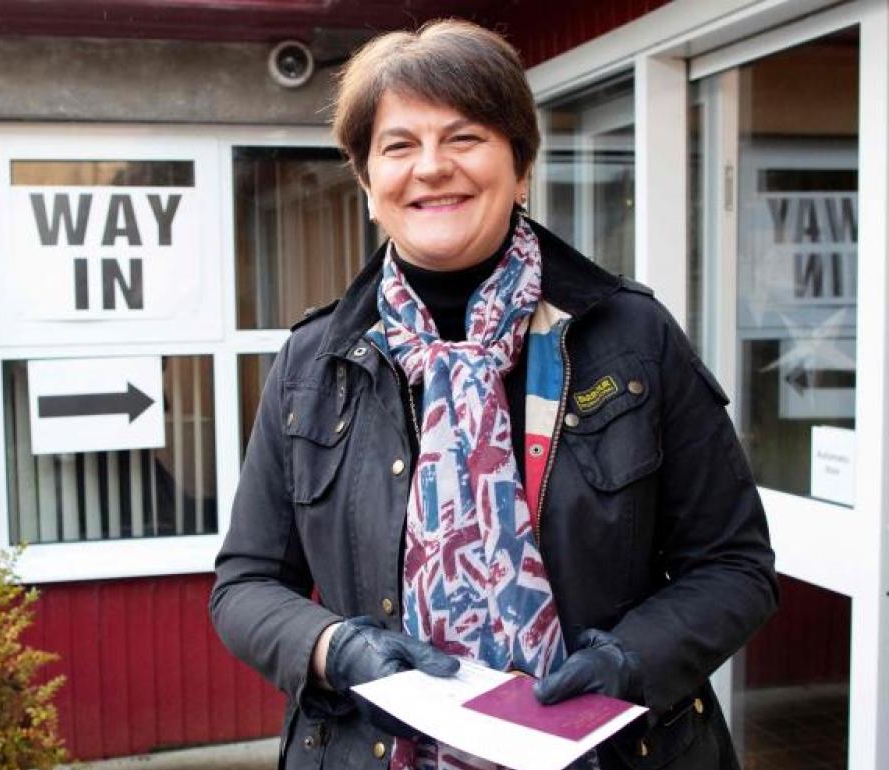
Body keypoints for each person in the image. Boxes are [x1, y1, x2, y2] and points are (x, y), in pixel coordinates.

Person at [210, 18, 777, 770]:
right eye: (399, 146)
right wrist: (334, 647)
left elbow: (734, 565)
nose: (431, 167)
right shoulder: (314, 363)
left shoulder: (630, 336)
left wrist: (627, 663)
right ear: (366, 180)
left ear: (521, 165)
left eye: (466, 137)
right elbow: (245, 585)